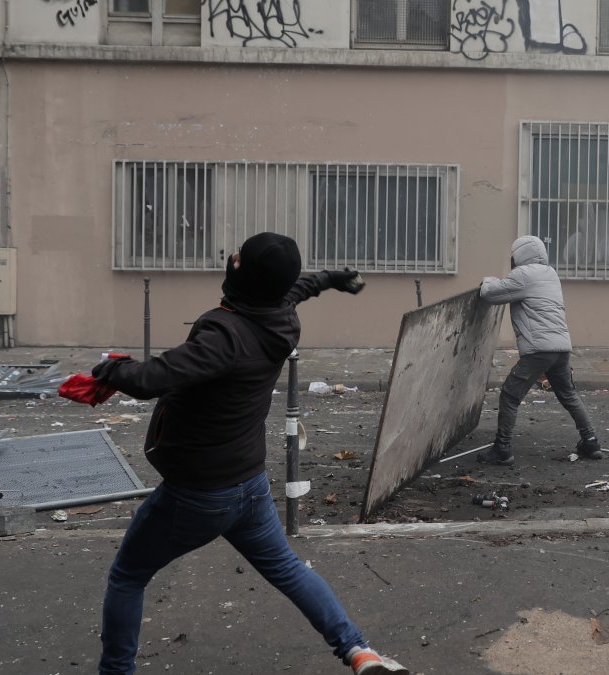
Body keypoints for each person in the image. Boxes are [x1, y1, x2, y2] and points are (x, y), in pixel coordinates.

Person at [88, 232, 407, 675]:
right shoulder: (280, 314)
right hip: (249, 484)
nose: (231, 257)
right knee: (288, 569)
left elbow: (151, 378)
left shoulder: (225, 337)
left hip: (198, 493)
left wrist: (110, 369)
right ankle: (359, 652)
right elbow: (297, 288)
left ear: (243, 273)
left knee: (127, 576)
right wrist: (330, 278)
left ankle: (115, 672)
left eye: (238, 257)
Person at [477, 235, 602, 465]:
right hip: (561, 347)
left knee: (510, 395)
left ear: (519, 256)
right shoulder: (550, 273)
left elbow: (489, 294)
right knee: (568, 394)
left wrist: (488, 280)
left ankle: (502, 448)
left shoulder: (523, 275)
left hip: (539, 349)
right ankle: (591, 440)